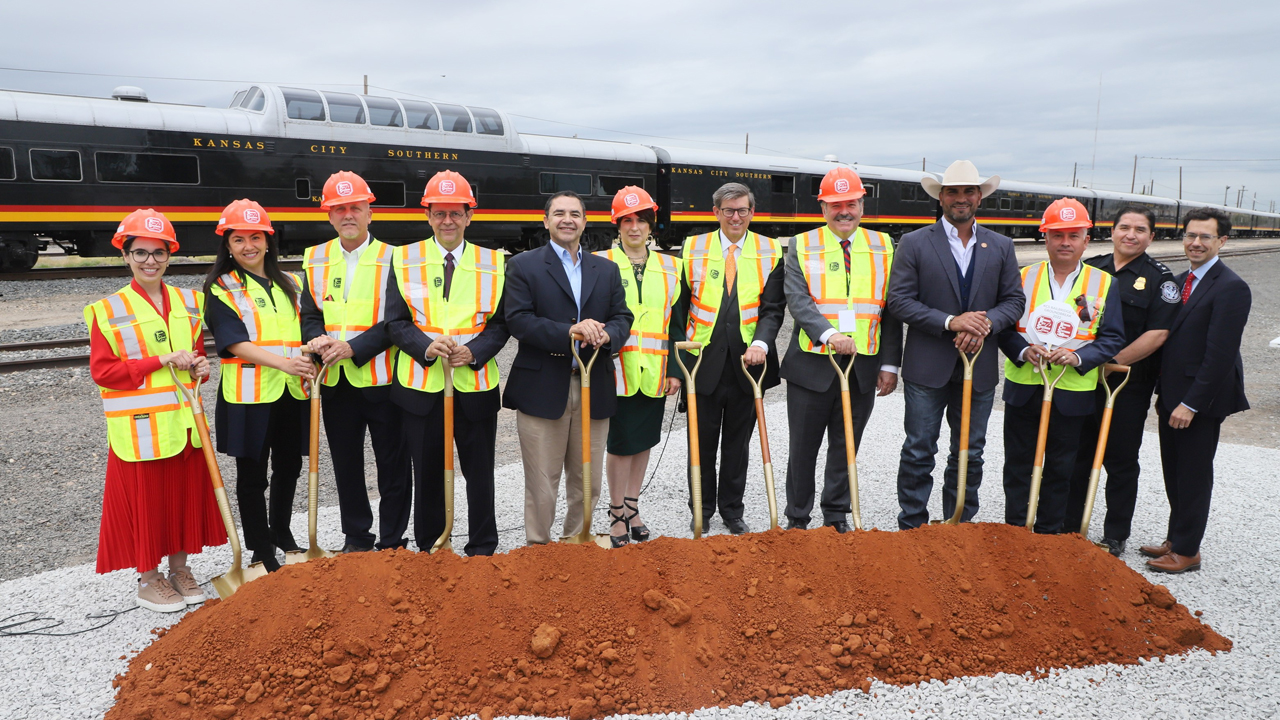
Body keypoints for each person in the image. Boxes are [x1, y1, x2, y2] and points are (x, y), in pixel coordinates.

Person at [85, 209, 226, 612]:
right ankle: (148, 579)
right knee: (148, 507)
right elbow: (103, 373)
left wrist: (201, 365)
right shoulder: (107, 310)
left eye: (159, 253)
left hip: (184, 425)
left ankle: (180, 569)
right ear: (125, 256)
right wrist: (159, 361)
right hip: (139, 430)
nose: (151, 261)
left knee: (179, 501)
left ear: (170, 255)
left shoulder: (190, 302)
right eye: (141, 252)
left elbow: (197, 354)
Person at [887, 161, 1024, 529]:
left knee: (969, 453)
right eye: (953, 191)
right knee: (919, 450)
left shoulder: (1001, 246)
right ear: (941, 197)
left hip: (977, 369)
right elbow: (899, 301)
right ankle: (912, 525)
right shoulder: (915, 242)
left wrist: (984, 324)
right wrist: (951, 322)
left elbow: (1014, 301)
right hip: (927, 366)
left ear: (979, 197)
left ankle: (959, 525)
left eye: (968, 191)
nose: (960, 198)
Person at [384, 171, 509, 556]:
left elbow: (503, 323)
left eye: (456, 213)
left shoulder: (494, 262)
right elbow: (395, 322)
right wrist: (425, 346)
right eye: (440, 213)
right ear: (428, 216)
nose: (448, 221)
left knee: (479, 474)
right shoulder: (404, 258)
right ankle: (432, 547)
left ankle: (483, 546)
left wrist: (474, 353)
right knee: (428, 473)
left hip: (475, 386)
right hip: (422, 389)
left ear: (470, 216)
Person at [502, 191, 633, 545]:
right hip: (542, 387)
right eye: (559, 213)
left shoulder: (605, 269)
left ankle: (578, 545)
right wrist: (569, 332)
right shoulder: (523, 265)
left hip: (594, 384)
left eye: (575, 213)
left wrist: (607, 336)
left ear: (585, 222)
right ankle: (539, 550)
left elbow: (623, 317)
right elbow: (518, 321)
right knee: (543, 482)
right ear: (546, 221)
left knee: (586, 481)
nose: (567, 219)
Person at [781, 167, 903, 532]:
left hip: (863, 366)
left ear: (862, 205)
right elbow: (798, 301)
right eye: (835, 205)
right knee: (803, 450)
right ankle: (797, 519)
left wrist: (890, 364)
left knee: (846, 446)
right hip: (812, 366)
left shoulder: (884, 245)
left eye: (850, 203)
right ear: (822, 208)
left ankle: (836, 516)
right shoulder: (801, 244)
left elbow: (891, 310)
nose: (844, 211)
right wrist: (829, 334)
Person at [997, 198, 1125, 534]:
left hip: (1073, 392)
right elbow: (1004, 329)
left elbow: (1112, 338)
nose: (1064, 242)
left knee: (1061, 466)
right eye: (1057, 235)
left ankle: (1049, 535)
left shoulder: (1104, 283)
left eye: (1073, 235)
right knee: (1018, 465)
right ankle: (1015, 530)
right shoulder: (1022, 277)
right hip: (1025, 387)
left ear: (1087, 239)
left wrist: (1079, 357)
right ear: (1045, 238)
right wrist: (1024, 352)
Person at [300, 172, 411, 552]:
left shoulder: (396, 258)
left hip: (383, 379)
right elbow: (310, 312)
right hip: (335, 381)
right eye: (339, 209)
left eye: (355, 208)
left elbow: (399, 321)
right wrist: (315, 339)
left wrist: (353, 347)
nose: (348, 215)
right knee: (346, 465)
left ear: (369, 212)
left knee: (393, 466)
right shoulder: (314, 258)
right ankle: (357, 537)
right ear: (329, 215)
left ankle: (393, 539)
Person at [202, 200, 314, 572]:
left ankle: (281, 531)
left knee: (289, 467)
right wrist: (286, 362)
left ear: (268, 240)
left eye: (255, 237)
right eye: (238, 239)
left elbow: (307, 330)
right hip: (248, 396)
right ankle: (260, 548)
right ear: (227, 245)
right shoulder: (220, 287)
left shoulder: (293, 283)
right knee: (252, 476)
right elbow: (233, 342)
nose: (248, 246)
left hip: (291, 391)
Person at [669, 182, 785, 535]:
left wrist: (762, 345)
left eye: (743, 210)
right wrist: (677, 366)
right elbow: (677, 311)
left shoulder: (770, 250)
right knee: (700, 445)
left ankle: (732, 510)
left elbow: (773, 309)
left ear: (752, 212)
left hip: (748, 366)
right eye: (729, 210)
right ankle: (701, 509)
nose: (736, 217)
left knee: (738, 445)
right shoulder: (692, 248)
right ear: (715, 212)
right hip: (701, 364)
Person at [1063, 205, 1177, 555]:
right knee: (1077, 453)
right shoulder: (1092, 270)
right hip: (1082, 378)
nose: (1131, 234)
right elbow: (1073, 317)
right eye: (1124, 227)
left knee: (1121, 459)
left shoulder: (1160, 279)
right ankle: (1069, 526)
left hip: (1127, 383)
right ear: (1111, 232)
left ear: (1151, 236)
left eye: (1140, 229)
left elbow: (1157, 334)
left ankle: (1115, 533)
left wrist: (1110, 362)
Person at [1142, 207, 1251, 574]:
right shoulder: (1179, 281)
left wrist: (1191, 404)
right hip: (1172, 395)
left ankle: (1188, 551)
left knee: (1193, 473)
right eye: (1190, 235)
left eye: (1206, 236)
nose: (1196, 242)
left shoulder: (1232, 287)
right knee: (1173, 471)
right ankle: (1176, 537)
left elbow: (1220, 356)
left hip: (1200, 401)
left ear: (1222, 240)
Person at [595, 186, 682, 547]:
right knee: (619, 442)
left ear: (651, 225)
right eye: (627, 220)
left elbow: (676, 321)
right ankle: (616, 512)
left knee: (645, 439)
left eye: (641, 220)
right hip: (616, 370)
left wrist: (675, 369)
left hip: (656, 370)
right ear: (617, 225)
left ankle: (633, 506)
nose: (634, 227)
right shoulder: (600, 263)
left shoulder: (671, 266)